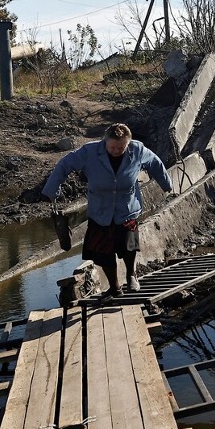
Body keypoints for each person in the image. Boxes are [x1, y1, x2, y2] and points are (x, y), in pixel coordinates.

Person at [41, 123, 174, 300]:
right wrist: (52, 190)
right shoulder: (89, 152)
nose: (117, 150)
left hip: (126, 208)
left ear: (128, 143)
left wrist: (167, 185)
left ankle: (131, 275)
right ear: (105, 142)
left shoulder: (138, 150)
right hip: (100, 210)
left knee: (128, 245)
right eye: (113, 147)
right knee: (103, 253)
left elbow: (155, 164)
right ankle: (114, 288)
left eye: (121, 147)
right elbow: (65, 165)